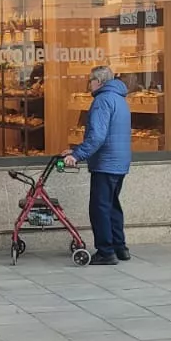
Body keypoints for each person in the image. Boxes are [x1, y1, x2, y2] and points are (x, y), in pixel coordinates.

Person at [63, 65, 133, 266]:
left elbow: (97, 136)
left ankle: (105, 251)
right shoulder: (120, 99)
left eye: (90, 81)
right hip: (120, 162)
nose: (89, 85)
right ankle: (120, 247)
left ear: (98, 81)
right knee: (112, 206)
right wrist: (75, 149)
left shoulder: (102, 100)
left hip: (105, 163)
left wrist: (77, 155)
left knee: (99, 208)